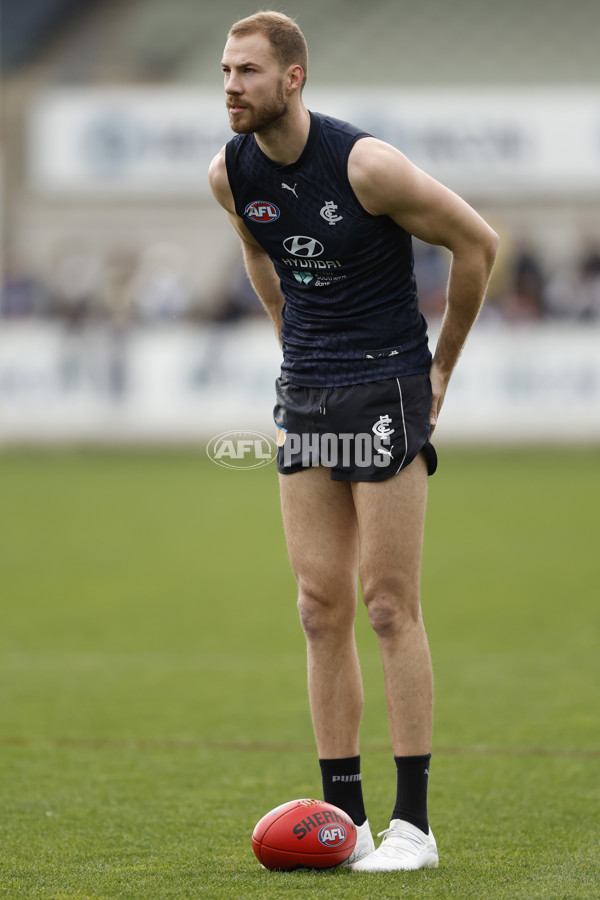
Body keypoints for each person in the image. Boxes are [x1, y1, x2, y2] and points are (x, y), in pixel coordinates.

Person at [208, 11, 498, 872]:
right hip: (308, 390)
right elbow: (261, 256)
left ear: (293, 78)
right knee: (317, 606)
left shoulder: (365, 164)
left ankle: (413, 827)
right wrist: (289, 342)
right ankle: (343, 820)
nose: (231, 86)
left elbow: (477, 246)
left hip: (388, 384)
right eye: (225, 71)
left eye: (248, 72)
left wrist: (441, 370)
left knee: (386, 604)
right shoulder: (230, 173)